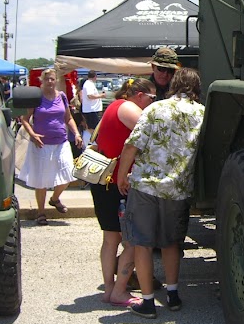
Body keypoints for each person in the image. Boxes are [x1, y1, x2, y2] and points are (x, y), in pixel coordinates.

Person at [116, 67, 204, 318]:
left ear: (174, 84)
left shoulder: (156, 109)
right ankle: (173, 295)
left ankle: (147, 302)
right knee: (172, 243)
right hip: (177, 189)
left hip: (146, 186)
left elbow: (133, 145)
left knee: (142, 243)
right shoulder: (202, 114)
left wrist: (122, 176)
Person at [89, 77, 157, 306]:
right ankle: (119, 290)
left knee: (110, 239)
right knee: (133, 241)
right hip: (120, 184)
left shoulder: (113, 107)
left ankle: (109, 289)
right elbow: (153, 136)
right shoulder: (129, 108)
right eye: (152, 98)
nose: (152, 103)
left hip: (103, 182)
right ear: (140, 95)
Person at [18, 68, 84, 225]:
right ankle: (41, 213)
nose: (50, 82)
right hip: (41, 144)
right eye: (47, 79)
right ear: (42, 80)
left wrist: (76, 134)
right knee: (41, 180)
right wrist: (32, 135)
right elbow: (25, 119)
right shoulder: (37, 97)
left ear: (56, 80)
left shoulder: (61, 96)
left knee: (69, 172)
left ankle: (55, 199)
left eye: (52, 79)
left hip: (61, 142)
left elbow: (68, 118)